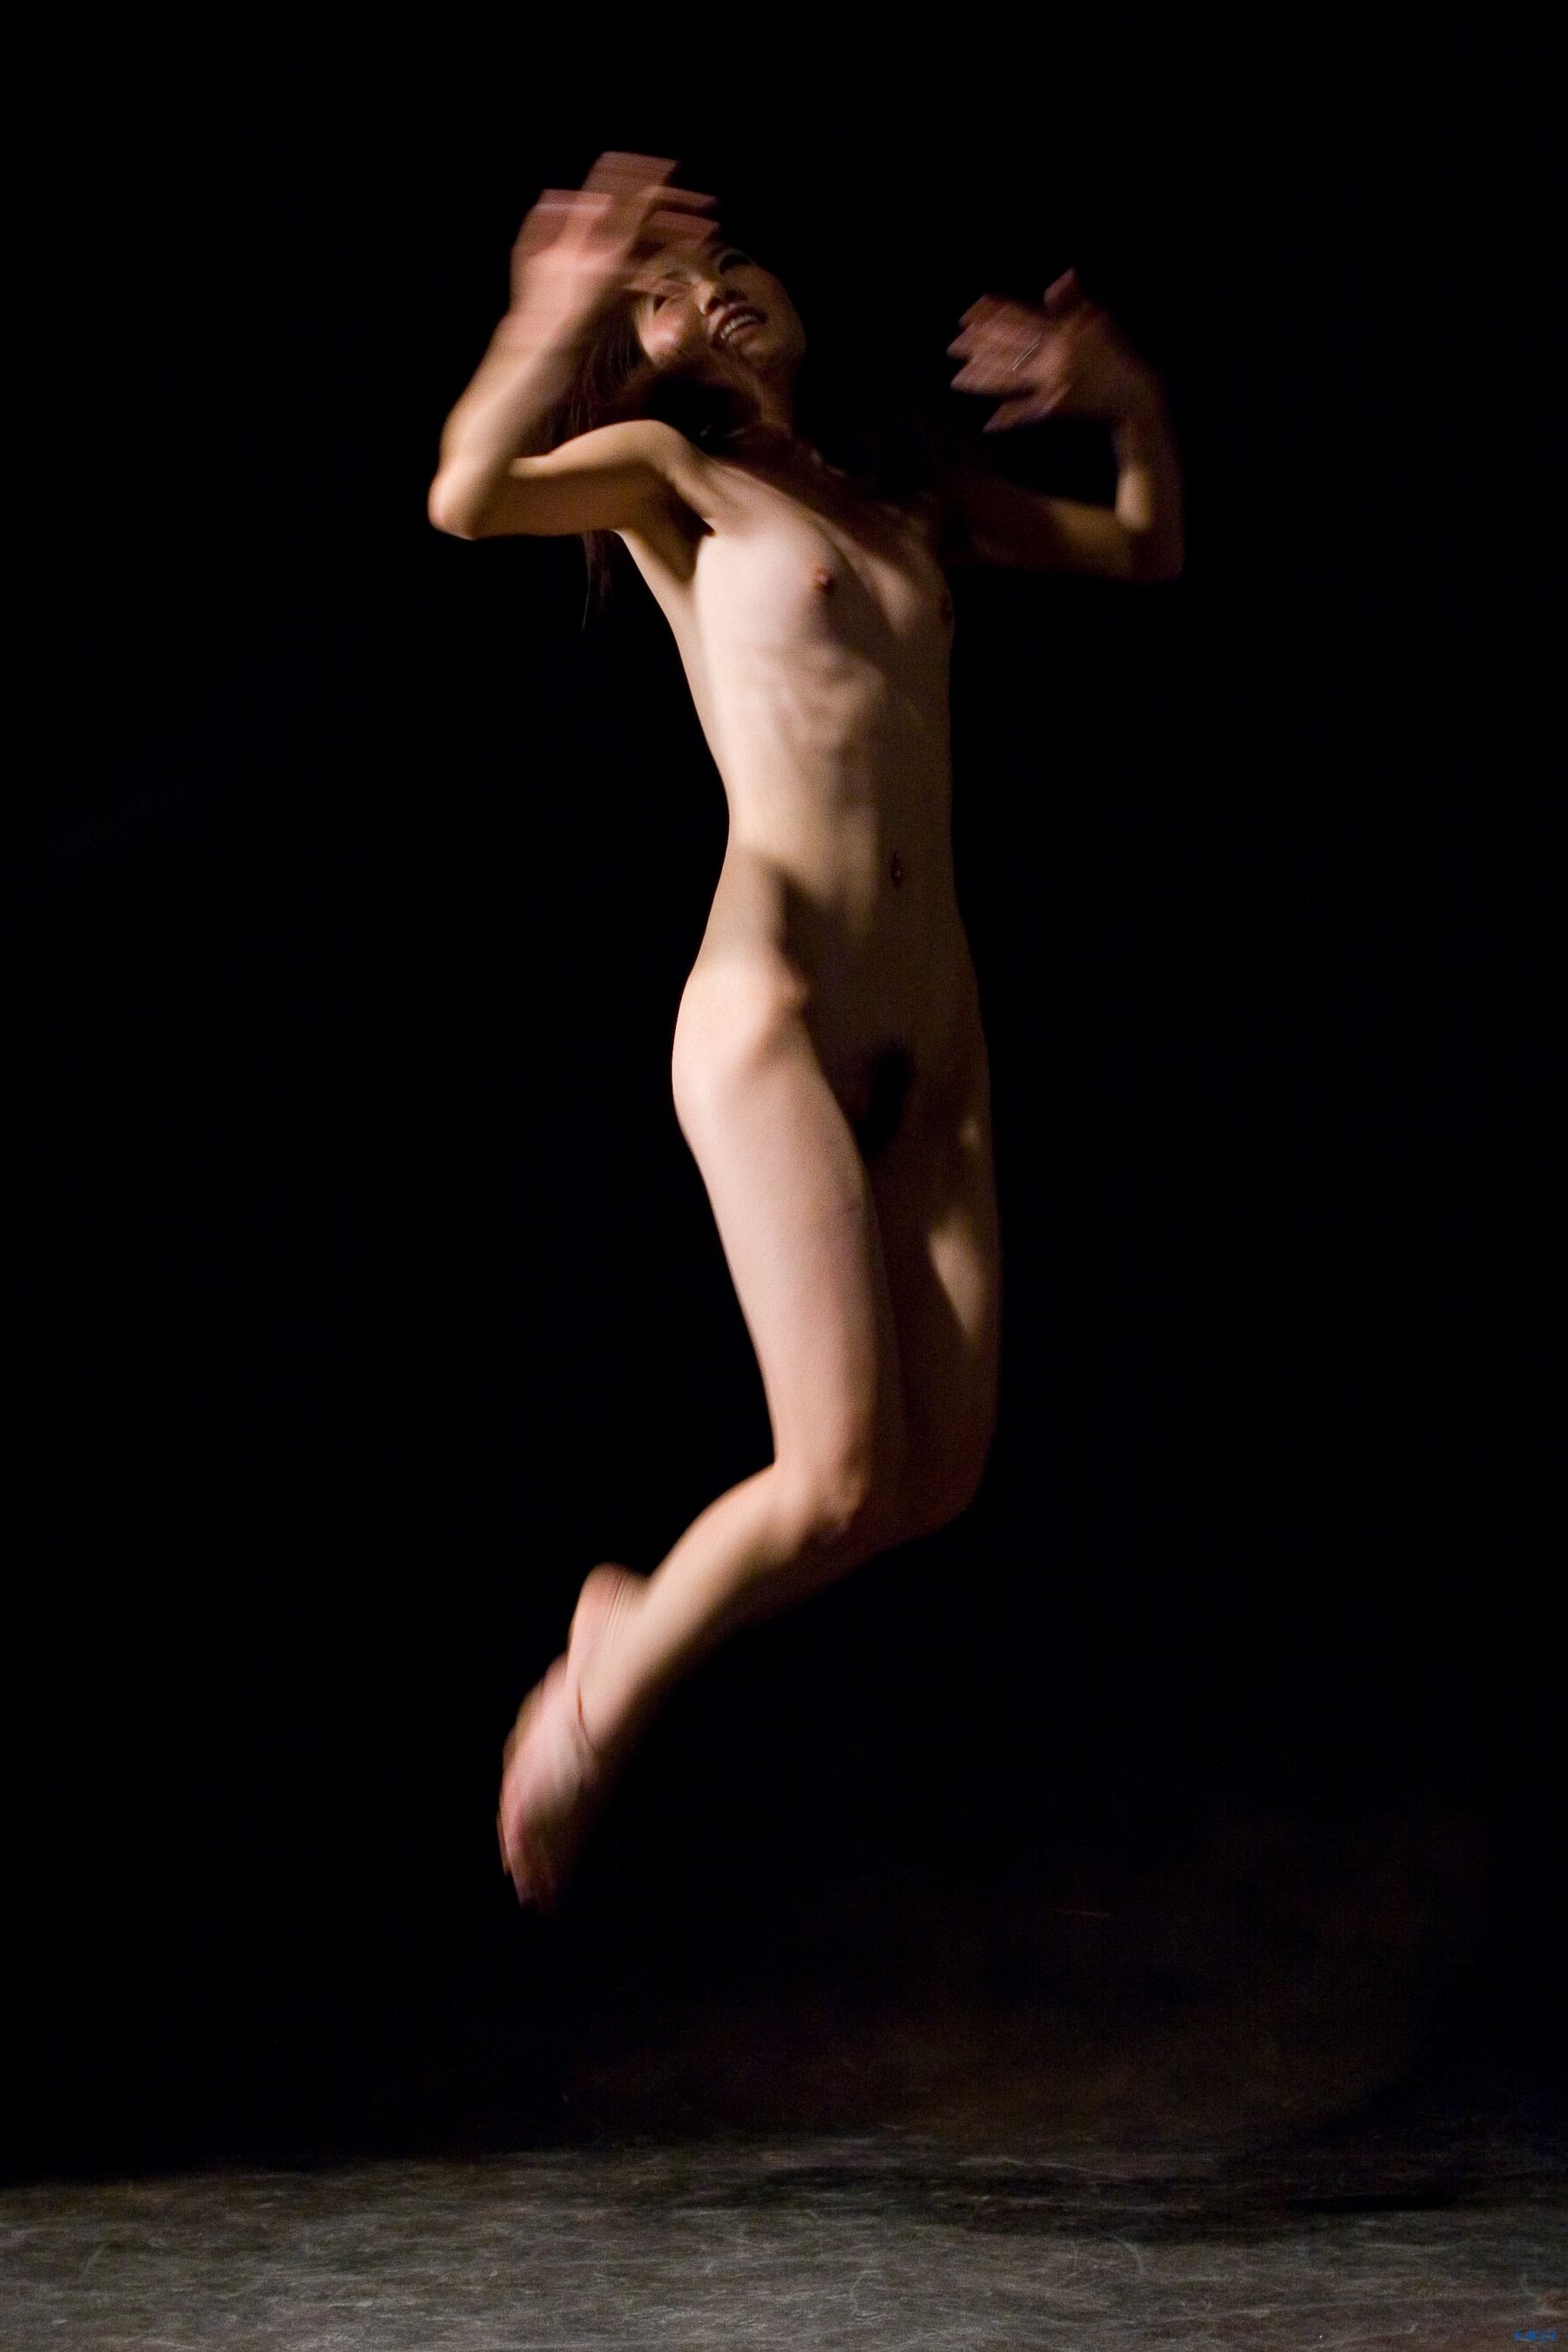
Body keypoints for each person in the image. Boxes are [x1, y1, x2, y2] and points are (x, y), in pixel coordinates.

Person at [428, 152, 1184, 1914]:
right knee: (835, 1472)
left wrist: (1130, 401)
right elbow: (467, 496)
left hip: (940, 1029)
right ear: (637, 365)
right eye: (658, 304)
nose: (707, 295)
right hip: (772, 1001)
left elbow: (1145, 547)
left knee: (929, 1484)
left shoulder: (907, 497)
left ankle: (638, 1618)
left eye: (719, 267)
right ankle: (602, 1688)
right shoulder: (670, 478)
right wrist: (550, 315)